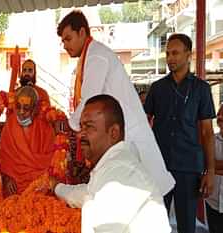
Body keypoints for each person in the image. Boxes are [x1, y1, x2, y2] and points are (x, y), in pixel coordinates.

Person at [57, 9, 174, 195]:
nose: (65, 45)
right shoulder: (89, 56)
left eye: (68, 39)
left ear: (82, 32)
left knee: (143, 192)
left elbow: (89, 98)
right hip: (121, 132)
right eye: (63, 41)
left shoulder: (96, 55)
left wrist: (68, 125)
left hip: (129, 134)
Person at [50, 94, 170, 233]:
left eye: (89, 127)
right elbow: (87, 194)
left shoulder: (120, 174)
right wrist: (56, 187)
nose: (80, 135)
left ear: (114, 133)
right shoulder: (113, 167)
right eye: (81, 127)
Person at [144, 33, 216, 233]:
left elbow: (207, 132)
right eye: (167, 53)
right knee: (154, 223)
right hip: (160, 166)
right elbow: (143, 124)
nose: (170, 58)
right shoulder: (157, 88)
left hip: (189, 168)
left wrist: (209, 172)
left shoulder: (201, 89)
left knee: (186, 225)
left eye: (175, 53)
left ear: (188, 54)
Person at [0, 86, 55, 195]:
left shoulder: (45, 127)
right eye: (18, 107)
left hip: (39, 185)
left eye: (26, 108)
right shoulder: (10, 125)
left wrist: (41, 182)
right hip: (14, 185)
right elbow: (4, 158)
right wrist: (6, 179)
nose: (21, 112)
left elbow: (51, 160)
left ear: (34, 109)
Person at [205, 104, 223, 233]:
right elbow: (204, 164)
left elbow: (209, 166)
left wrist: (212, 168)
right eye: (219, 115)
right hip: (213, 201)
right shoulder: (211, 140)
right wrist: (211, 167)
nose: (220, 117)